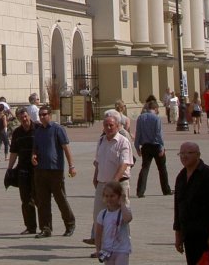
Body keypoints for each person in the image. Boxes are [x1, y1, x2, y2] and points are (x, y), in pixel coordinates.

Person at [85, 109, 132, 246]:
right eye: (106, 125)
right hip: (102, 184)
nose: (109, 128)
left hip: (119, 185)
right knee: (99, 216)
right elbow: (98, 161)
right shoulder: (101, 141)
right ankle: (101, 247)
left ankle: (123, 244)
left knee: (122, 216)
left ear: (117, 126)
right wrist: (95, 177)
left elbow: (124, 163)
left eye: (111, 125)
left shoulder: (123, 141)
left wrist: (114, 182)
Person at [31, 103, 77, 238]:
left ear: (50, 115)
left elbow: (66, 148)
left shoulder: (58, 129)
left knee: (60, 198)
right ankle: (46, 228)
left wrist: (71, 166)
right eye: (40, 115)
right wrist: (33, 155)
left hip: (55, 170)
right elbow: (35, 148)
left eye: (44, 114)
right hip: (40, 170)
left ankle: (70, 224)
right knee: (42, 201)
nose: (42, 117)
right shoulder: (38, 131)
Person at [173, 142, 209, 265]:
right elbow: (178, 206)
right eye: (182, 153)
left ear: (198, 155)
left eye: (189, 153)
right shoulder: (181, 176)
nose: (184, 156)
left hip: (204, 232)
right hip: (188, 232)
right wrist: (178, 234)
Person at [8, 107, 38, 234]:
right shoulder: (17, 133)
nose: (24, 119)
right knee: (26, 200)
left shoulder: (38, 128)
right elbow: (14, 152)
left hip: (38, 169)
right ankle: (30, 227)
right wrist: (9, 169)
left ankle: (46, 226)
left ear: (29, 116)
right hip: (23, 169)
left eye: (25, 116)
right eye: (21, 118)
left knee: (39, 199)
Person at [134, 97, 172, 197]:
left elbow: (138, 133)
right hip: (156, 145)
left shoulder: (141, 118)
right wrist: (162, 147)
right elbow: (158, 134)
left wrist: (137, 147)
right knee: (162, 168)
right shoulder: (156, 118)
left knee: (145, 168)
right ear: (155, 109)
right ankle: (166, 190)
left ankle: (140, 191)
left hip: (145, 146)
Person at [95, 180, 133, 265]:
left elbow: (128, 219)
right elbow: (98, 234)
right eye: (106, 196)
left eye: (112, 196)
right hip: (107, 250)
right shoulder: (102, 214)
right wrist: (98, 249)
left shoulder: (123, 211)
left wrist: (123, 203)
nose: (109, 199)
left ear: (119, 196)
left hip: (122, 250)